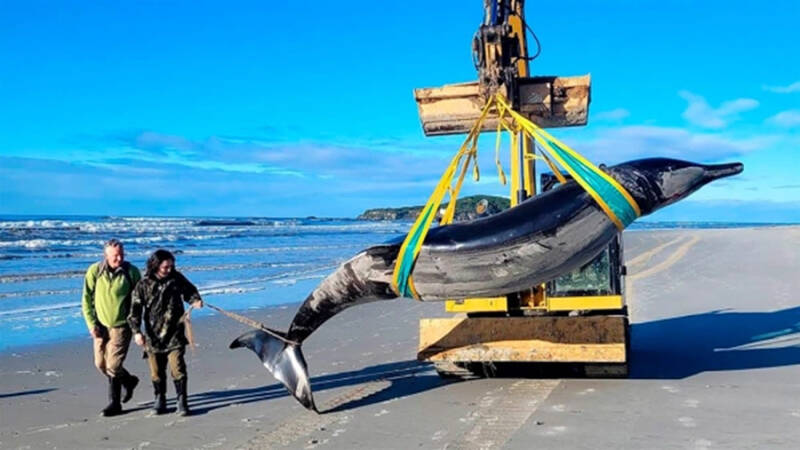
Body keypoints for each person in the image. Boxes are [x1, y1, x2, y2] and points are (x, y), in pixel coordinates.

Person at [128, 249, 203, 416]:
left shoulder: (176, 278)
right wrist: (136, 332)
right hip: (153, 336)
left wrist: (195, 300)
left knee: (177, 367)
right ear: (155, 266)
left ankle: (182, 401)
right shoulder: (144, 284)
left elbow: (190, 291)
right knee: (156, 371)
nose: (169, 269)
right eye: (165, 267)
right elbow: (135, 310)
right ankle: (159, 399)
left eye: (171, 266)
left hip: (175, 332)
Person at [81, 238, 142, 417]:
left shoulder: (131, 272)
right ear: (106, 255)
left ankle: (114, 403)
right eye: (115, 255)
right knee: (100, 364)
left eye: (122, 254)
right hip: (100, 326)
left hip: (122, 326)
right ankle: (129, 381)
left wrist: (136, 326)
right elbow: (86, 299)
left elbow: (139, 300)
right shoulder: (95, 271)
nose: (119, 258)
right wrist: (91, 324)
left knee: (113, 365)